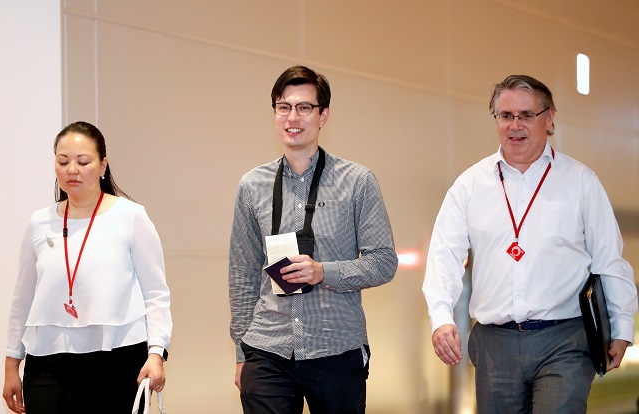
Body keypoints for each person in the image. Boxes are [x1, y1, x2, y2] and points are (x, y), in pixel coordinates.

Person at [423, 75, 637, 413]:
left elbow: (608, 259)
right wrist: (441, 317)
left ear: (549, 118)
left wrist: (622, 325)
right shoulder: (470, 185)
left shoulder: (580, 181)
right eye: (505, 116)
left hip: (565, 340)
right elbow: (443, 256)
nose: (515, 125)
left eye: (526, 115)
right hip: (495, 344)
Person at [229, 65, 398, 414]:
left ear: (323, 116)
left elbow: (383, 262)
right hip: (267, 348)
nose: (293, 117)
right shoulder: (252, 185)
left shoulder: (358, 181)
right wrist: (241, 352)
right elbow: (243, 273)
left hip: (336, 348)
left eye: (305, 107)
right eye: (284, 107)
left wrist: (323, 272)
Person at [2, 121, 172, 414]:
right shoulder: (39, 222)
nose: (72, 170)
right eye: (63, 161)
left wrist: (156, 353)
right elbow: (23, 298)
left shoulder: (131, 216)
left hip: (118, 359)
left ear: (103, 165)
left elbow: (156, 293)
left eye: (83, 161)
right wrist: (10, 366)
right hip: (47, 362)